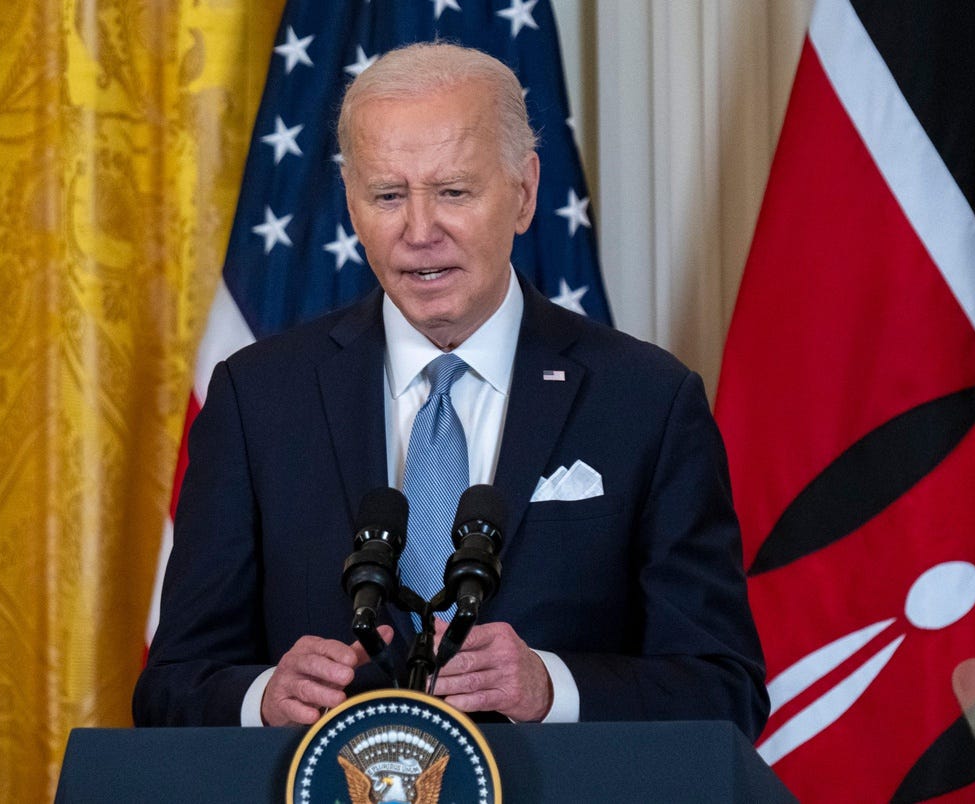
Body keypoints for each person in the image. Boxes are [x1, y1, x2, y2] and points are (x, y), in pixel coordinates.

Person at [134, 42, 768, 736]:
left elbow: (725, 690)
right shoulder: (257, 400)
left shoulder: (646, 401)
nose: (419, 231)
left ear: (523, 193)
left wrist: (551, 687)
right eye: (388, 195)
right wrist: (262, 697)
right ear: (351, 206)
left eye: (453, 192)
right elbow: (171, 687)